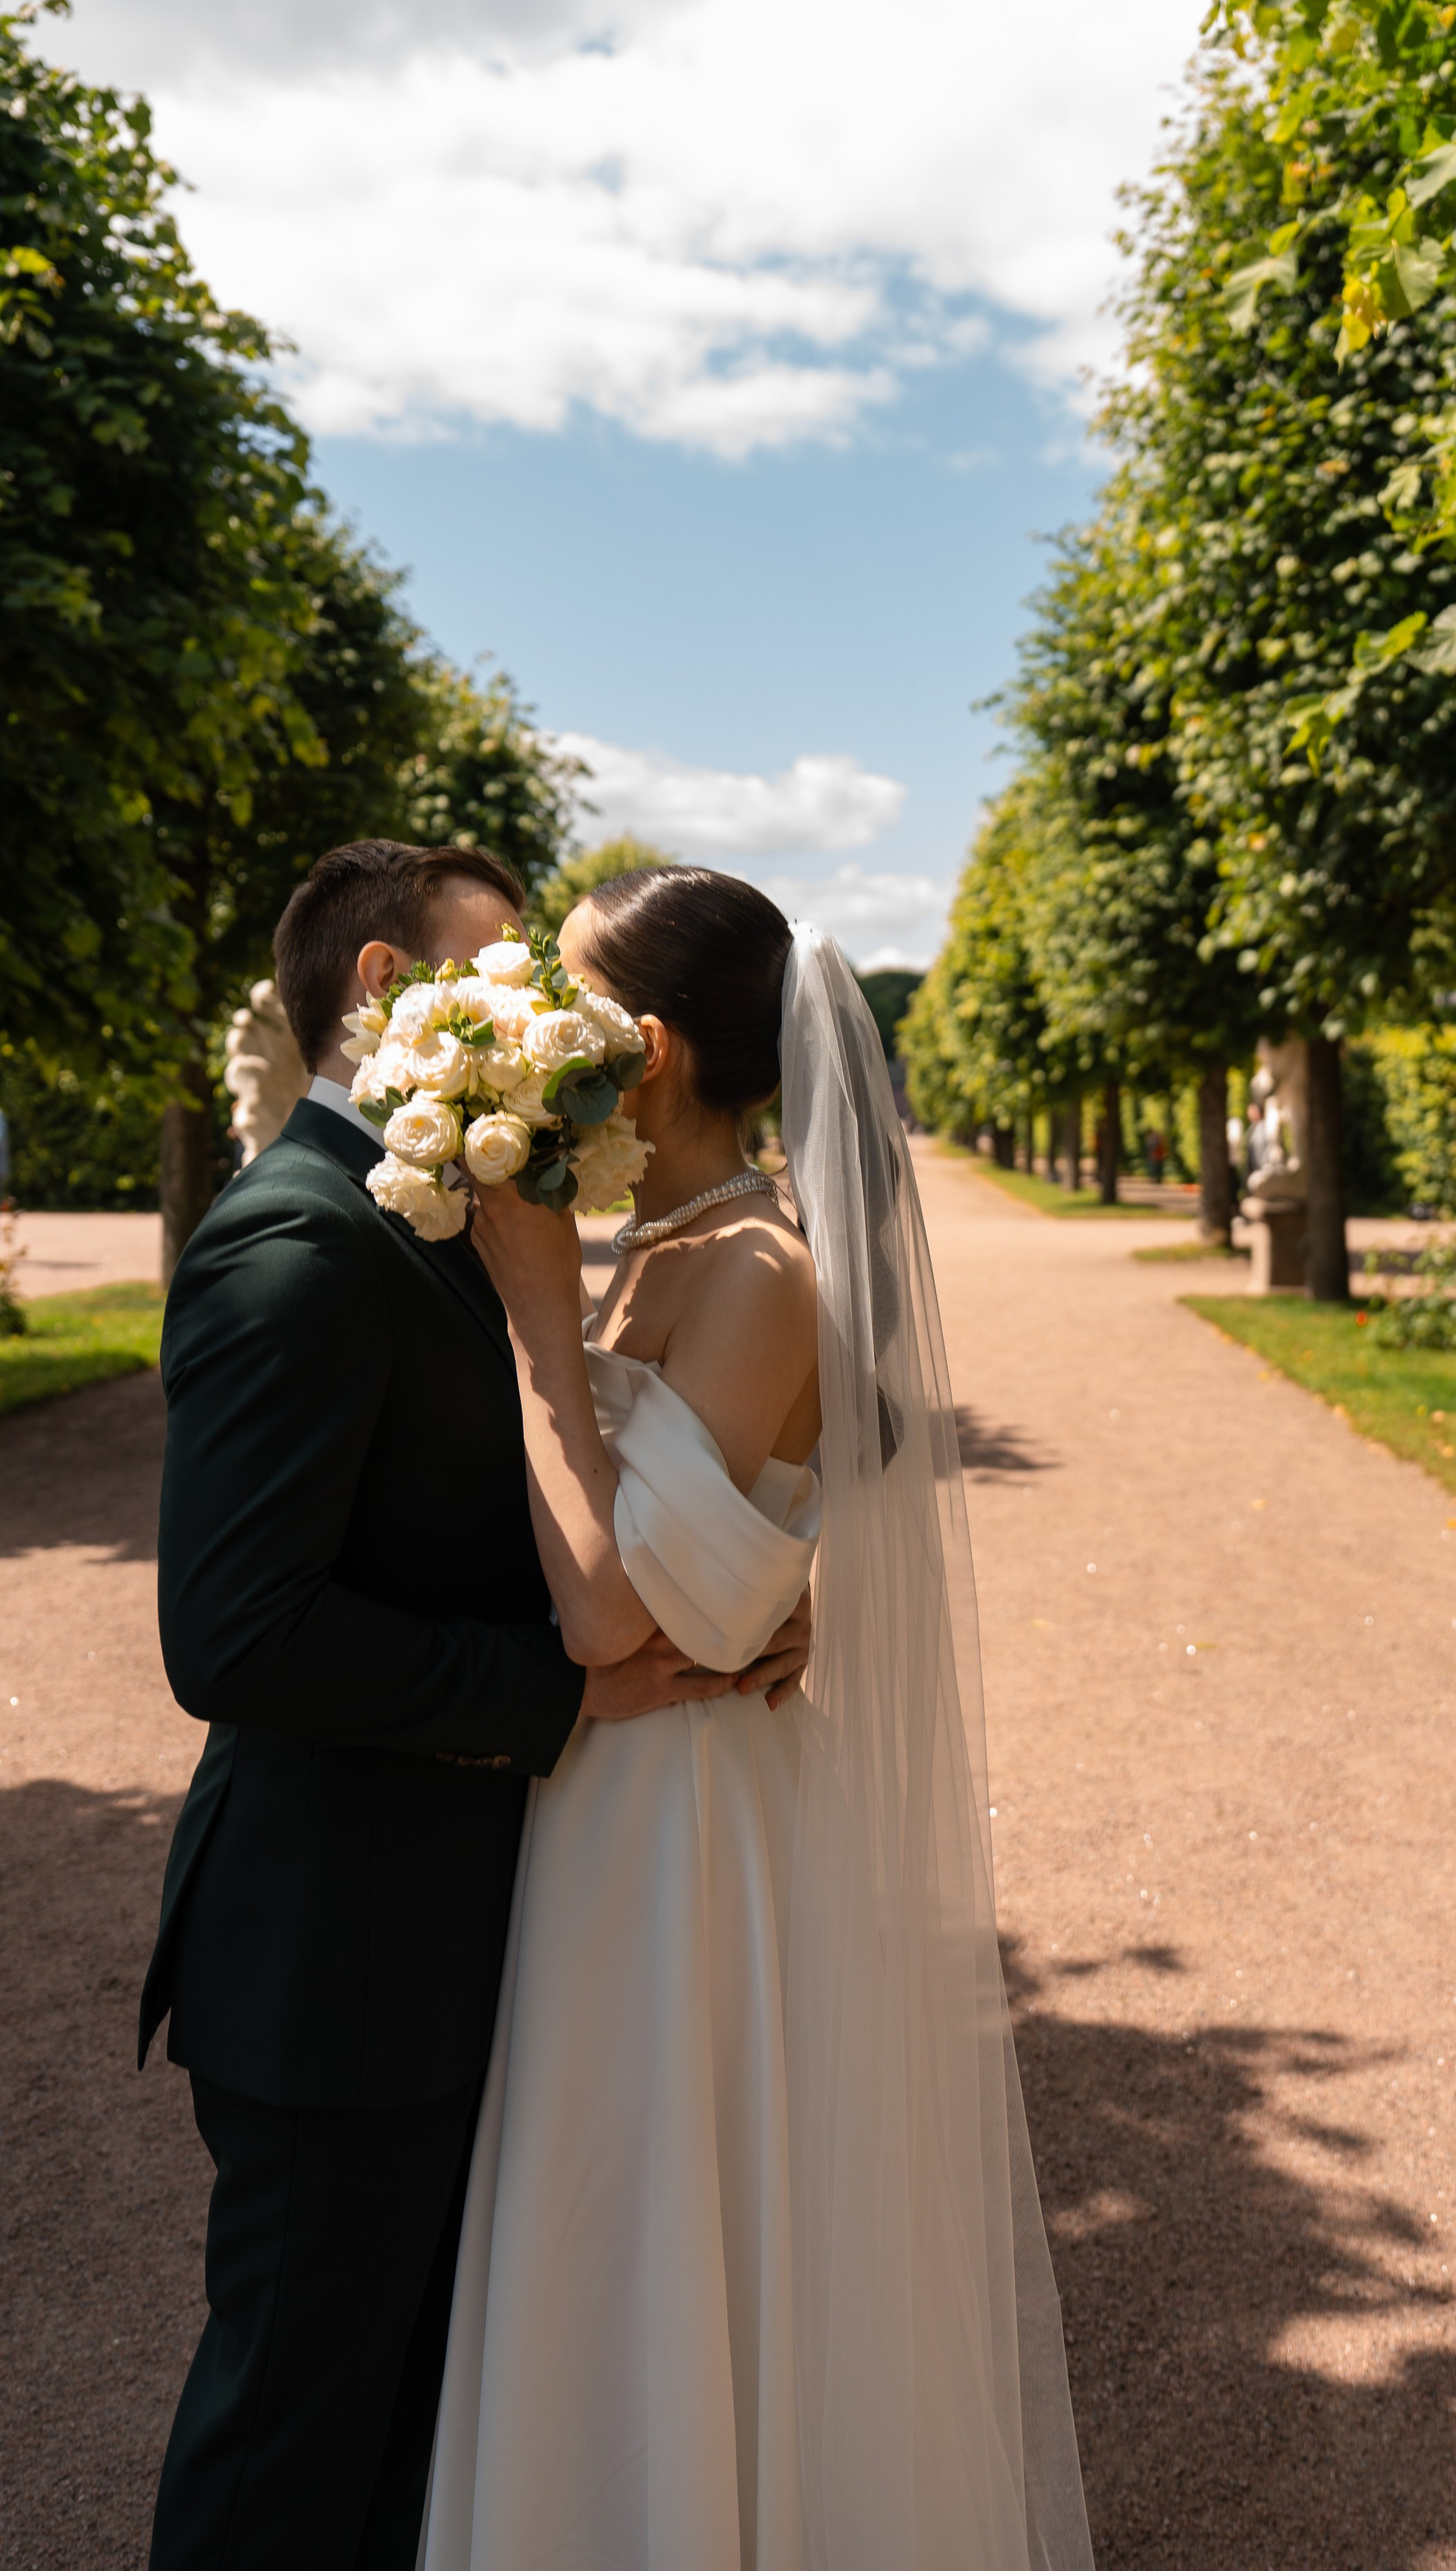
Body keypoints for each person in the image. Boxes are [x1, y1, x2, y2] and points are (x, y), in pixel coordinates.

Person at [140, 838, 811, 2571]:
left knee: (403, 2443)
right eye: (497, 972)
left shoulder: (465, 1211)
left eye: (546, 977)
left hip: (477, 1934)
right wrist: (565, 1690)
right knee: (288, 2444)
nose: (534, 1013)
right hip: (336, 1952)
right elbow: (233, 1634)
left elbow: (580, 1483)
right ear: (384, 993)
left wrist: (771, 1592)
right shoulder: (296, 1245)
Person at [421, 865, 1093, 2571]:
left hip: (680, 1833)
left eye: (552, 998)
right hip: (610, 1803)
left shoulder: (750, 1269)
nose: (522, 1023)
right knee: (601, 2225)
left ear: (639, 1050)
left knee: (667, 2215)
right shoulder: (663, 1242)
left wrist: (533, 1330)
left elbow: (607, 1610)